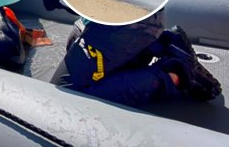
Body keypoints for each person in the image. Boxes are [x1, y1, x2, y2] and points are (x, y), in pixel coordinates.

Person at [50, 11, 222, 106]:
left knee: (66, 90)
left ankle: (174, 74)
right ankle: (161, 44)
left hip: (120, 24)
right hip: (137, 18)